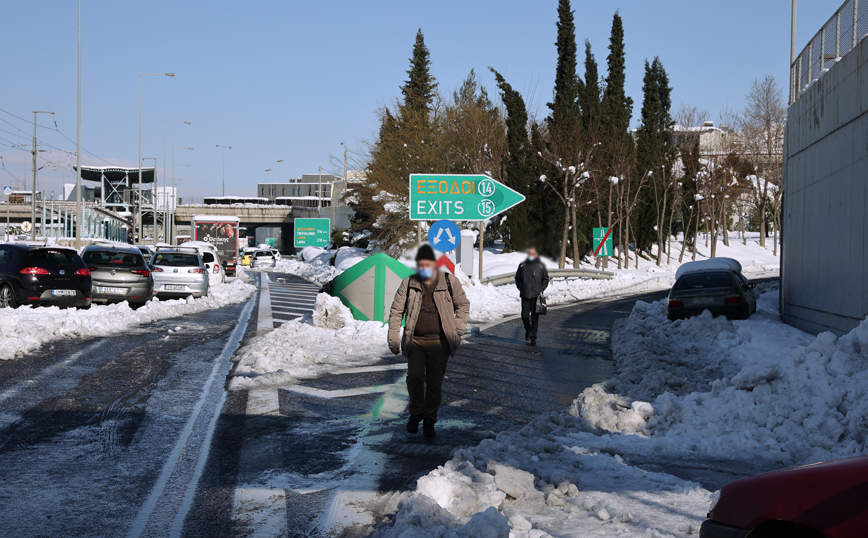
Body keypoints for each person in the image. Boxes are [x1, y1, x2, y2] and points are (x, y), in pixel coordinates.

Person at [388, 244, 470, 438]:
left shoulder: (449, 282)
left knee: (434, 383)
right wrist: (393, 338)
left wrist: (457, 330)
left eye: (427, 264)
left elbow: (463, 305)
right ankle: (416, 414)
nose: (424, 268)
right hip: (415, 340)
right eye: (421, 265)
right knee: (415, 377)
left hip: (440, 342)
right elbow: (396, 311)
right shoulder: (409, 282)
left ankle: (430, 419)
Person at [515, 247, 549, 346]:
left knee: (534, 317)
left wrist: (541, 289)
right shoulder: (522, 265)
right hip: (525, 295)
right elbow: (517, 278)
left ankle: (533, 337)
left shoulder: (541, 266)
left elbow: (545, 279)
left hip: (536, 296)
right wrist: (520, 287)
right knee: (524, 316)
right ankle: (528, 329)